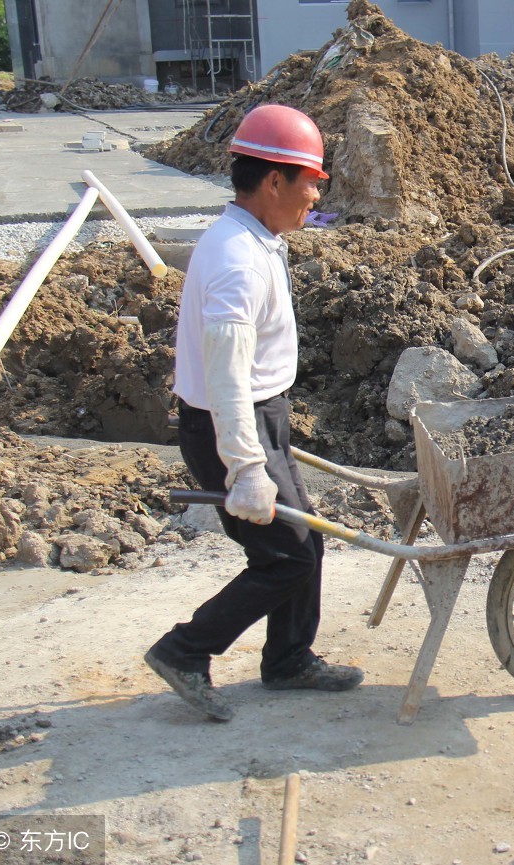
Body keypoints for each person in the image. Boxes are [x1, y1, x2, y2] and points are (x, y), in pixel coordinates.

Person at [145, 104, 362, 722]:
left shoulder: (254, 237)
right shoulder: (237, 262)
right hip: (228, 426)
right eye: (312, 182)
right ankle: (184, 651)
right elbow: (226, 378)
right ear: (274, 182)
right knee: (286, 556)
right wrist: (245, 467)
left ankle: (289, 658)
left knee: (304, 543)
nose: (316, 195)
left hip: (258, 419)